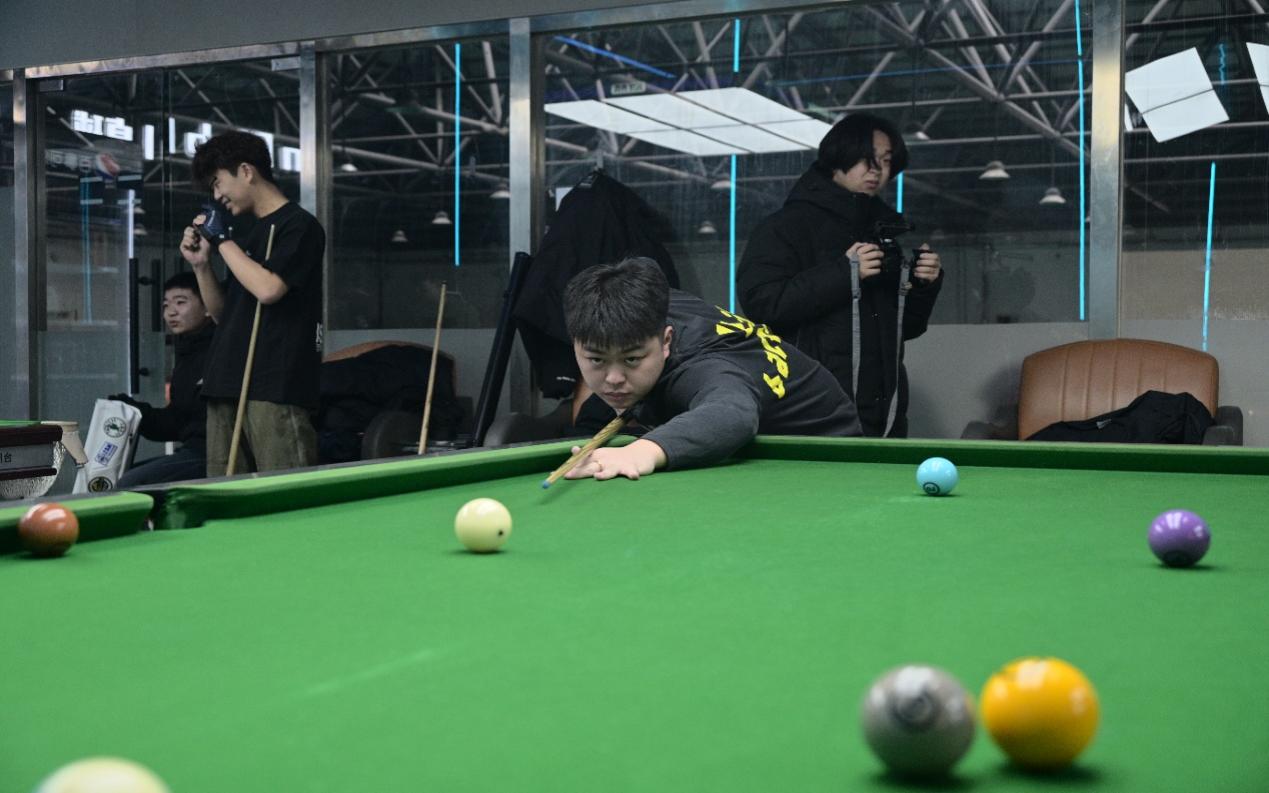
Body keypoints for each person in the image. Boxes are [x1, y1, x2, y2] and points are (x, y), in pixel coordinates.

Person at [562, 257, 860, 481]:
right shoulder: (647, 303)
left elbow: (733, 415)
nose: (614, 379)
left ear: (666, 340)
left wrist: (641, 452)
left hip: (822, 453)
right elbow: (647, 266)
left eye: (632, 360)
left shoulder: (703, 368)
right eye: (597, 360)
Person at [737, 113, 943, 438]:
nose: (876, 170)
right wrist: (843, 274)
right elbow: (762, 305)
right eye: (866, 159)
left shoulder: (882, 231)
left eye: (886, 160)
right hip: (810, 412)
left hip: (884, 415)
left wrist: (922, 286)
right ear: (837, 157)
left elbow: (905, 329)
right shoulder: (786, 226)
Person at [181, 130, 326, 476]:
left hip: (272, 387)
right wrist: (201, 265)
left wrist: (222, 240)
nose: (217, 196)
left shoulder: (299, 226)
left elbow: (269, 289)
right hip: (225, 383)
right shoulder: (251, 236)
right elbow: (222, 314)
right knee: (225, 492)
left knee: (284, 492)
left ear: (246, 171)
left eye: (218, 183)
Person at [110, 272, 214, 487]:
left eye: (181, 302)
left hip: (211, 454)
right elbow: (177, 421)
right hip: (191, 449)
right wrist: (135, 411)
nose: (171, 312)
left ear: (208, 307)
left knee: (129, 483)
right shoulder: (187, 354)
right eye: (166, 305)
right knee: (115, 477)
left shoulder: (219, 351)